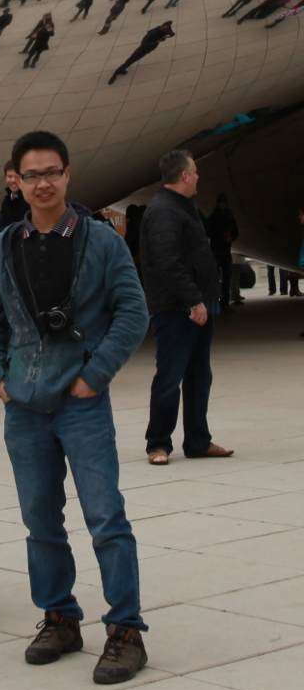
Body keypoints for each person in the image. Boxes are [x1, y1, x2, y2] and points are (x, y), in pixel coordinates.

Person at [0, 130, 150, 684]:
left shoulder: (100, 241)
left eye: (52, 172)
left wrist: (94, 376)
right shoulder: (6, 244)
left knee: (105, 517)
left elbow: (133, 311)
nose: (43, 183)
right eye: (32, 175)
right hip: (23, 406)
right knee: (39, 520)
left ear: (68, 175)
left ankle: (125, 630)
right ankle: (59, 617)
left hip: (81, 403)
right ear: (16, 181)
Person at [139, 149, 234, 466]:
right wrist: (192, 299)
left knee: (199, 375)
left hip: (197, 305)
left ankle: (197, 441)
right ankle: (158, 443)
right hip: (176, 309)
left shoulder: (184, 206)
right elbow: (167, 262)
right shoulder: (163, 211)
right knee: (170, 377)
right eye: (195, 171)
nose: (198, 176)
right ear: (184, 175)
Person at [108, 21, 174, 83]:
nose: (166, 30)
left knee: (133, 59)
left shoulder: (160, 29)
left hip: (147, 49)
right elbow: (144, 43)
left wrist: (167, 35)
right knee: (132, 59)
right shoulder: (153, 33)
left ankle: (122, 68)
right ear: (163, 26)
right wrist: (157, 41)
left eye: (166, 29)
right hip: (143, 49)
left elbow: (170, 33)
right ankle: (118, 71)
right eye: (165, 29)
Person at [206, 194, 239, 310]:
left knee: (226, 278)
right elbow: (208, 231)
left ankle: (224, 302)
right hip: (217, 250)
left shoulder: (229, 216)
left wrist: (231, 237)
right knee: (216, 278)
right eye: (221, 203)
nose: (222, 205)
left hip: (224, 250)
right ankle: (216, 302)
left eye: (224, 203)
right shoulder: (214, 217)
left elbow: (235, 232)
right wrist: (221, 235)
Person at [0, 160, 30, 225]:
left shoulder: (31, 199)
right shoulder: (6, 202)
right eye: (10, 176)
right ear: (5, 178)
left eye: (17, 176)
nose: (13, 180)